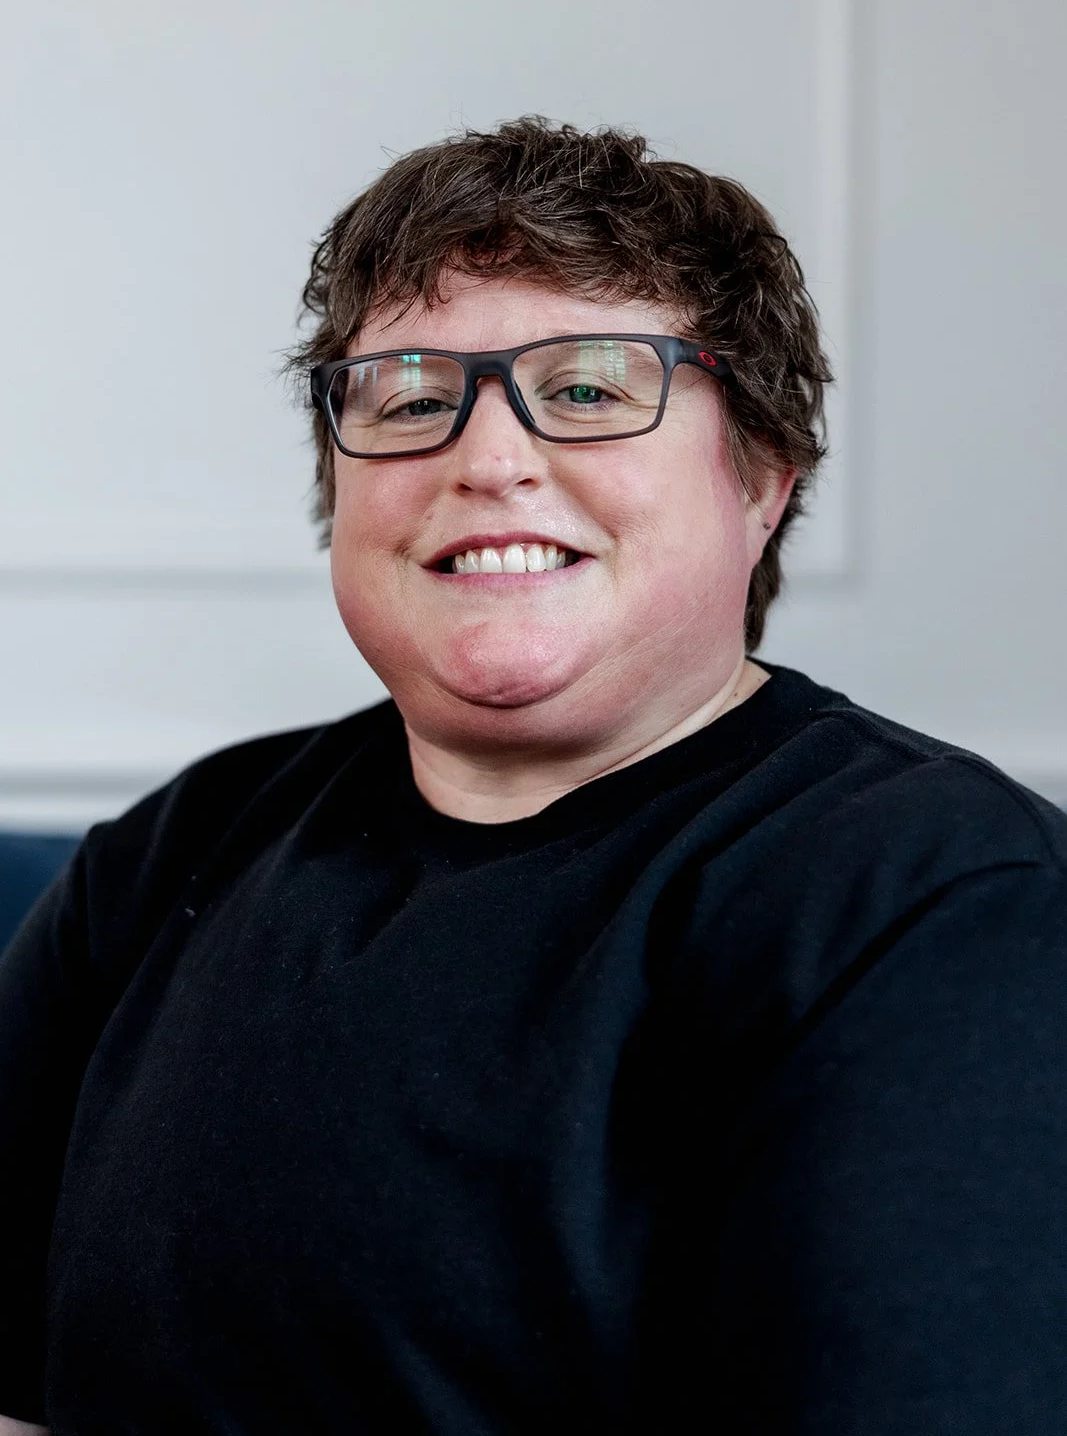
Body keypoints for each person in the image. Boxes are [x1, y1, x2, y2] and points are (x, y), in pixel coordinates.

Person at [2, 116, 1066, 1436]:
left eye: (587, 390)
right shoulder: (174, 855)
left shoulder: (940, 900)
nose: (486, 457)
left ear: (761, 481)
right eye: (406, 397)